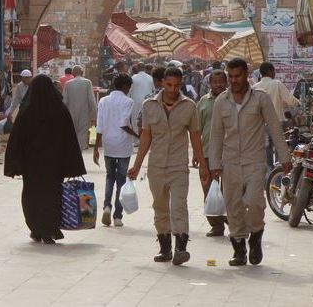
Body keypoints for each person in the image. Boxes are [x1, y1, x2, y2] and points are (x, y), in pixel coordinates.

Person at [209, 58, 291, 267]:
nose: (234, 80)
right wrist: (214, 164)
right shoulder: (221, 102)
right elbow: (216, 135)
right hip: (230, 163)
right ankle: (239, 249)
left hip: (255, 161)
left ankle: (255, 235)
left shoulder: (260, 98)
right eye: (231, 76)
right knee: (233, 207)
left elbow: (275, 128)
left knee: (255, 202)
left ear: (247, 74)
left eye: (238, 76)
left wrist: (284, 157)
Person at [128, 67, 209, 266]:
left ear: (181, 84)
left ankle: (181, 248)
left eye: (176, 85)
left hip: (178, 166)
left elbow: (195, 136)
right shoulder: (149, 106)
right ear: (162, 83)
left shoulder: (190, 106)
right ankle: (165, 248)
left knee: (179, 206)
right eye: (169, 85)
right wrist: (136, 165)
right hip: (156, 166)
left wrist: (203, 165)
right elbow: (146, 136)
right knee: (160, 207)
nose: (173, 89)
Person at [4, 75, 86, 244]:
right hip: (54, 165)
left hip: (31, 165)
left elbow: (16, 139)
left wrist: (15, 163)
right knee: (52, 194)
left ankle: (36, 228)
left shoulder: (26, 111)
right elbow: (69, 139)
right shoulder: (60, 110)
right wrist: (71, 164)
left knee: (32, 194)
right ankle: (50, 229)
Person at [93, 73, 136, 227]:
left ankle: (107, 206)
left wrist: (96, 148)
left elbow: (100, 125)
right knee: (121, 180)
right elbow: (124, 124)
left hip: (108, 144)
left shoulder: (104, 100)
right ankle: (118, 216)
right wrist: (137, 135)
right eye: (129, 86)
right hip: (123, 144)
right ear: (125, 86)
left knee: (109, 177)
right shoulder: (128, 101)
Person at [198, 69, 229, 237]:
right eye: (215, 82)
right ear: (209, 84)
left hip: (229, 153)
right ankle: (216, 225)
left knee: (230, 190)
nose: (218, 85)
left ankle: (230, 219)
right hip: (208, 152)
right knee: (209, 190)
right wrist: (197, 154)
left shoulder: (232, 100)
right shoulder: (203, 102)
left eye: (221, 81)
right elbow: (197, 129)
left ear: (227, 82)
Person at [252, 62, 299, 168]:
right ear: (269, 71)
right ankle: (277, 180)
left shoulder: (255, 87)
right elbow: (290, 100)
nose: (274, 73)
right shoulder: (277, 84)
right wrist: (300, 103)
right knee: (280, 155)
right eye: (273, 71)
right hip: (277, 124)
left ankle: (268, 178)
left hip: (261, 126)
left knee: (266, 155)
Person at [63, 66, 97, 150]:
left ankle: (74, 151)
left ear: (73, 73)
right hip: (84, 113)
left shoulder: (68, 83)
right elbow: (91, 100)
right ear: (82, 73)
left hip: (70, 113)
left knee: (72, 133)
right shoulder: (87, 82)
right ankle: (79, 151)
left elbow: (65, 101)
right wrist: (94, 115)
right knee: (82, 133)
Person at [129, 64, 155, 130]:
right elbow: (154, 90)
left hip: (135, 101)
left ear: (137, 68)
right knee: (146, 120)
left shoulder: (133, 78)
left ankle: (136, 135)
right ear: (144, 69)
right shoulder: (150, 78)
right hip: (147, 101)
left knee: (135, 119)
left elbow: (129, 91)